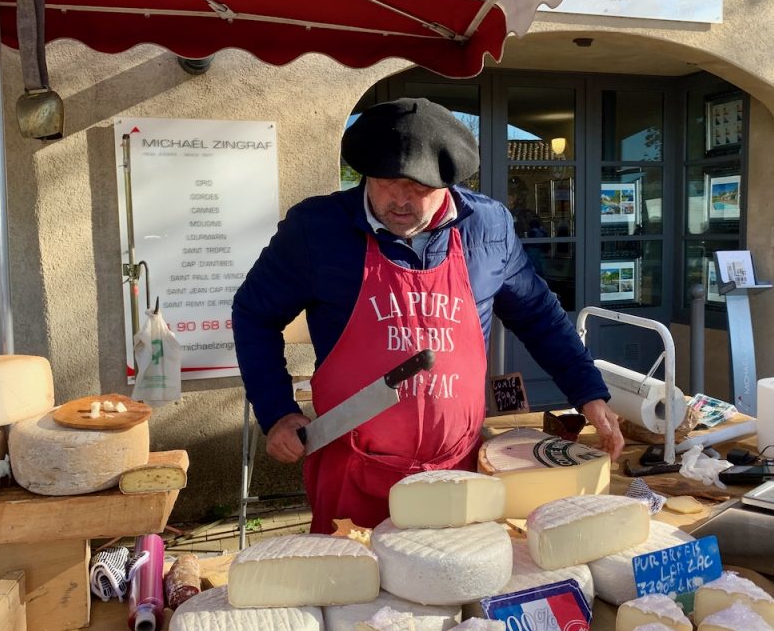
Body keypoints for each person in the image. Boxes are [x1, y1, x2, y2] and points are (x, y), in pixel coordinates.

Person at [232, 97, 624, 533]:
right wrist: (277, 410)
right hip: (352, 472)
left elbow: (537, 313)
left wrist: (587, 392)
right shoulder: (317, 230)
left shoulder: (486, 227)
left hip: (458, 472)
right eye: (385, 182)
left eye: (418, 188)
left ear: (448, 182)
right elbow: (253, 313)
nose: (400, 201)